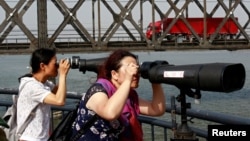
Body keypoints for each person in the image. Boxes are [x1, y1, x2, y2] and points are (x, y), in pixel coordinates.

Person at [71, 49, 166, 141]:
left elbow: (156, 109)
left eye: (136, 68)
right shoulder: (97, 91)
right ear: (114, 74)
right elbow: (110, 113)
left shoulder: (129, 96)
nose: (135, 73)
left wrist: (155, 80)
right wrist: (128, 79)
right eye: (129, 68)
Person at [16, 48, 70, 141]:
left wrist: (64, 73)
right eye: (55, 63)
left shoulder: (44, 83)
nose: (57, 66)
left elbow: (59, 93)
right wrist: (62, 75)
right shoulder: (32, 86)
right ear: (42, 66)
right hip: (30, 138)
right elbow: (59, 101)